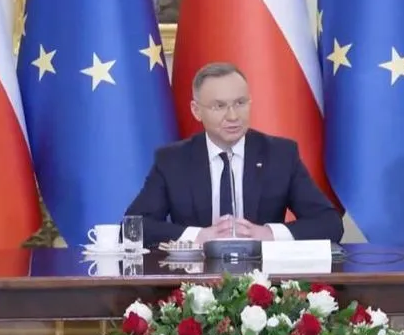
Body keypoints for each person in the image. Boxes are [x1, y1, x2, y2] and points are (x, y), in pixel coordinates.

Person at [125, 62, 343, 246]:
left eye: (240, 103)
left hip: (265, 284)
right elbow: (133, 227)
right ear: (196, 110)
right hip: (192, 282)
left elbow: (329, 223)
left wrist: (268, 234)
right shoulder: (173, 160)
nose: (232, 116)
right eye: (219, 106)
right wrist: (198, 236)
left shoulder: (279, 155)